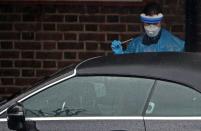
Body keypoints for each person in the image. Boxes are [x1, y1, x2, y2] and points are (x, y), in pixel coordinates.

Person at [111, 2, 185, 54]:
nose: (151, 27)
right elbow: (128, 65)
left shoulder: (175, 45)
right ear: (143, 22)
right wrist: (120, 55)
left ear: (161, 22)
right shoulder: (135, 44)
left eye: (155, 23)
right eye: (148, 23)